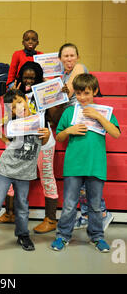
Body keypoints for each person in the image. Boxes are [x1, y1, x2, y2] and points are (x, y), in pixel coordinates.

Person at [0, 89, 50, 254]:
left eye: (20, 102)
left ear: (26, 100)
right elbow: (9, 143)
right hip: (6, 170)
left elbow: (43, 143)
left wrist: (47, 135)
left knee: (22, 207)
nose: (18, 108)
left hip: (26, 173)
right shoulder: (13, 123)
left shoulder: (40, 120)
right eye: (13, 107)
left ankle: (22, 235)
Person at [51, 73, 120, 252]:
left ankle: (97, 237)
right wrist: (70, 130)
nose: (82, 97)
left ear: (95, 91)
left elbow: (116, 133)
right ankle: (62, 236)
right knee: (69, 204)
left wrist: (99, 117)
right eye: (79, 93)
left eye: (87, 93)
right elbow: (58, 136)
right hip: (73, 165)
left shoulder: (104, 111)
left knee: (95, 205)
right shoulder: (69, 112)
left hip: (96, 165)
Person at [0, 62, 60, 234]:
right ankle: (10, 213)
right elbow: (9, 122)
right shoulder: (16, 96)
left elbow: (54, 118)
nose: (29, 80)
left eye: (33, 78)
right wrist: (10, 94)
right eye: (26, 77)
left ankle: (51, 219)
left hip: (43, 142)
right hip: (21, 142)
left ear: (39, 78)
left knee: (47, 177)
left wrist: (55, 96)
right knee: (12, 174)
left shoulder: (43, 96)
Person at [54, 43, 112, 231]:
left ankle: (101, 212)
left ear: (77, 57)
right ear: (60, 59)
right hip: (71, 119)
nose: (69, 59)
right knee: (79, 176)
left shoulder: (79, 69)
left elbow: (68, 94)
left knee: (86, 172)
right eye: (65, 56)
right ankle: (87, 214)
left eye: (72, 55)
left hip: (82, 116)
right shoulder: (61, 75)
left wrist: (53, 93)